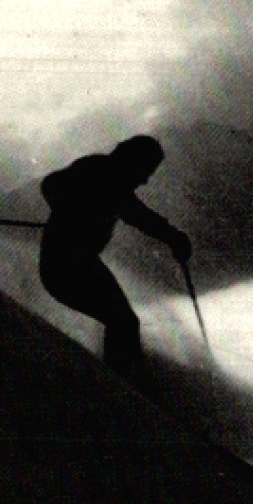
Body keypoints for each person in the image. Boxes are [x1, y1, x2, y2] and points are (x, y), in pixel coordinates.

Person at [38, 135, 191, 379]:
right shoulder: (104, 175)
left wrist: (173, 237)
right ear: (133, 162)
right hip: (68, 266)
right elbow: (52, 185)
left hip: (73, 264)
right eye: (146, 171)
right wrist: (174, 238)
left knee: (122, 321)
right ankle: (123, 384)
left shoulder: (108, 176)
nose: (145, 180)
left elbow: (52, 186)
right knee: (123, 322)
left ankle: (122, 379)